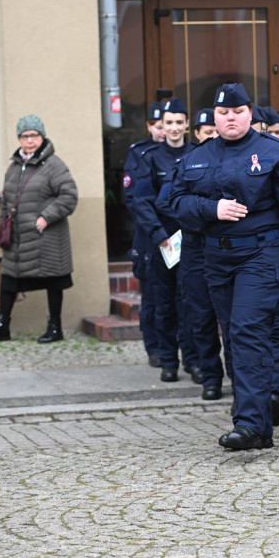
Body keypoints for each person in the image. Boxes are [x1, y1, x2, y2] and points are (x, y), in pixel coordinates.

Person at [168, 82, 279, 450]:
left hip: (263, 254)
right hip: (217, 257)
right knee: (235, 338)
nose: (230, 119)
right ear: (214, 117)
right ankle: (258, 423)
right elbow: (175, 203)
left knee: (247, 331)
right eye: (222, 114)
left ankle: (250, 424)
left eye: (237, 113)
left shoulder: (275, 154)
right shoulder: (197, 156)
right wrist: (212, 209)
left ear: (249, 114)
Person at [0, 115, 78, 343]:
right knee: (9, 279)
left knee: (53, 281)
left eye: (34, 135)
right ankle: (2, 326)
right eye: (25, 136)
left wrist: (46, 217)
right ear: (19, 139)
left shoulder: (55, 165)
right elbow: (5, 204)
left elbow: (69, 196)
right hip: (18, 237)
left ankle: (55, 328)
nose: (30, 141)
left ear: (42, 137)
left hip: (47, 237)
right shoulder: (14, 168)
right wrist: (2, 237)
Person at [157, 109, 228, 400]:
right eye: (206, 131)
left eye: (215, 130)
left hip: (227, 246)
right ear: (196, 134)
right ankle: (210, 376)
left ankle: (240, 377)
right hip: (196, 247)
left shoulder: (231, 160)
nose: (211, 135)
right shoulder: (188, 163)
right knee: (200, 316)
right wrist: (203, 211)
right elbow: (167, 202)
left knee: (234, 320)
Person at [132, 97, 194, 383]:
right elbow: (142, 201)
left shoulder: (196, 154)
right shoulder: (150, 157)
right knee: (164, 304)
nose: (173, 128)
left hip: (192, 238)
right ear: (161, 125)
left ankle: (194, 360)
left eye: (179, 122)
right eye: (168, 123)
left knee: (192, 303)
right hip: (163, 242)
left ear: (187, 124)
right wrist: (159, 235)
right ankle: (169, 361)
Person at [122, 102, 166, 366]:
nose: (164, 132)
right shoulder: (139, 153)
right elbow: (133, 199)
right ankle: (154, 347)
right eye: (159, 126)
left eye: (169, 125)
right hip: (149, 238)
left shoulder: (182, 153)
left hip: (177, 236)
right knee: (151, 297)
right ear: (149, 127)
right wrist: (155, 227)